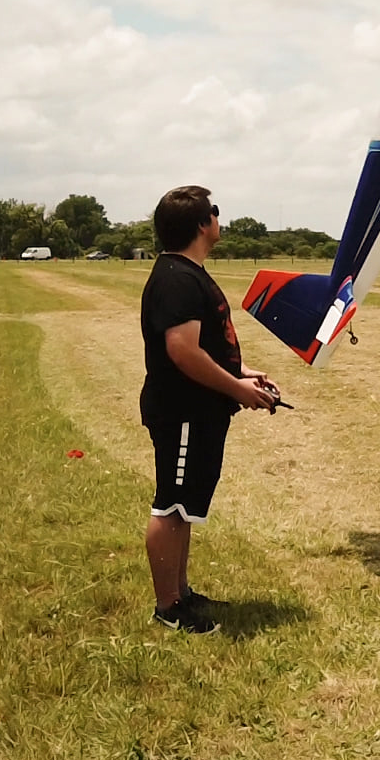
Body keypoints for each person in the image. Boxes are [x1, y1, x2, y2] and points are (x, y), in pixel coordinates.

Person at [140, 185, 282, 634]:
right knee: (171, 505)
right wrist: (237, 390)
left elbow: (204, 348)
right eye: (215, 213)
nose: (219, 220)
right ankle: (168, 608)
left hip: (198, 409)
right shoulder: (178, 278)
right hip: (181, 410)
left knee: (185, 506)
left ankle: (181, 593)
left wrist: (245, 375)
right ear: (202, 224)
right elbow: (182, 351)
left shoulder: (187, 272)